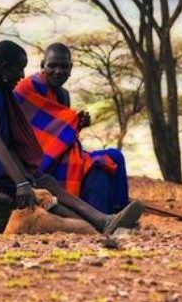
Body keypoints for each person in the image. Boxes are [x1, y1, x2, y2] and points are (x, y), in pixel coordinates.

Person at [0, 40, 142, 234]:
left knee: (44, 182)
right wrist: (20, 182)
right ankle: (99, 225)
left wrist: (25, 175)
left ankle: (103, 221)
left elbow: (8, 139)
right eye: (18, 69)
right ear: (2, 67)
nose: (22, 75)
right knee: (35, 190)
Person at [14, 43, 130, 215]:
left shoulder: (63, 95)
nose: (58, 71)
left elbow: (59, 131)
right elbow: (21, 128)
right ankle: (106, 216)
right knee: (97, 165)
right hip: (38, 159)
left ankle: (120, 210)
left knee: (115, 156)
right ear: (42, 66)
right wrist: (69, 123)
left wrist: (77, 124)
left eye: (63, 66)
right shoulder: (26, 88)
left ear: (70, 69)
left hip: (60, 152)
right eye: (52, 65)